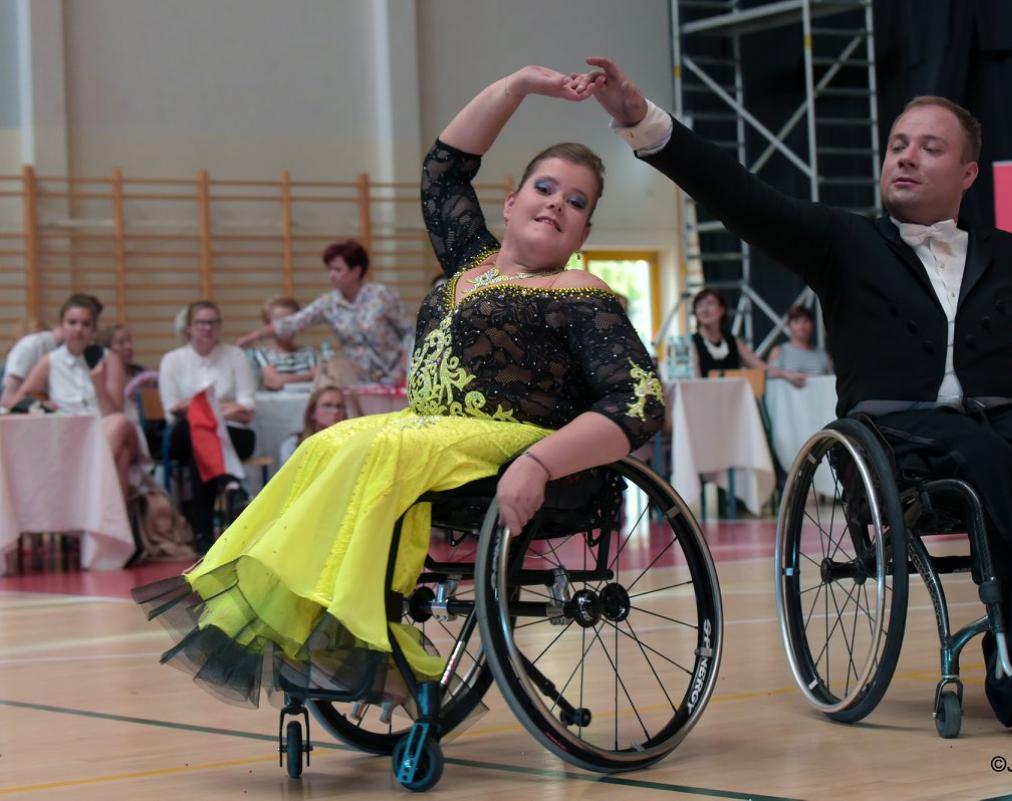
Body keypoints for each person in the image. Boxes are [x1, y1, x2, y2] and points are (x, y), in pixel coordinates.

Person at [578, 57, 1012, 725]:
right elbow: (738, 193)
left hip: (1000, 412)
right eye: (898, 145)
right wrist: (641, 120)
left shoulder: (1004, 253)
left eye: (930, 147)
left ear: (968, 173)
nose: (906, 157)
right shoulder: (845, 241)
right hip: (897, 429)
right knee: (987, 462)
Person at [134, 65, 665, 714]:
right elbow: (444, 168)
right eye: (545, 187)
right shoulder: (468, 260)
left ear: (583, 235)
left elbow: (639, 402)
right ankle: (310, 624)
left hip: (512, 442)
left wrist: (539, 460)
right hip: (425, 432)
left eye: (576, 202)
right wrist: (520, 85)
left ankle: (367, 645)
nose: (557, 202)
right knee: (326, 445)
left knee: (376, 452)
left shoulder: (577, 292)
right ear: (511, 202)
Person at [13, 295, 141, 499]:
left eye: (85, 324)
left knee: (120, 423)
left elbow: (112, 413)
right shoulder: (51, 361)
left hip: (106, 429)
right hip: (68, 434)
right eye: (72, 323)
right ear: (62, 326)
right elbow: (17, 400)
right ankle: (107, 525)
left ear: (94, 330)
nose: (78, 330)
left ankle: (82, 481)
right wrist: (41, 404)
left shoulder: (109, 359)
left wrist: (99, 385)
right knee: (121, 455)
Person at [236, 241, 412, 385]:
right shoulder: (329, 303)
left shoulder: (382, 295)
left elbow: (410, 333)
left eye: (338, 270)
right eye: (330, 269)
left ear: (356, 271)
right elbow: (294, 322)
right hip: (359, 378)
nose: (331, 275)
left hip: (397, 374)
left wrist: (403, 369)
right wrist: (255, 336)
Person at [159, 300, 257, 552]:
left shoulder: (235, 356)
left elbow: (246, 407)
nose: (207, 328)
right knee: (196, 434)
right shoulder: (172, 360)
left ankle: (203, 534)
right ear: (189, 328)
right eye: (201, 323)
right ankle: (231, 486)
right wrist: (220, 408)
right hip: (185, 433)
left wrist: (201, 408)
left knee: (200, 443)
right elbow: (171, 409)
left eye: (213, 322)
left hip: (232, 435)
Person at [691, 287, 809, 386]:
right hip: (706, 399)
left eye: (710, 303)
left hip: (733, 399)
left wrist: (786, 374)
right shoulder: (692, 342)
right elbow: (694, 379)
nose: (705, 309)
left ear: (722, 309)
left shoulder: (732, 340)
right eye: (700, 305)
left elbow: (759, 366)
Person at [244, 296, 319, 390]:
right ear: (269, 325)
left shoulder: (309, 352)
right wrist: (308, 376)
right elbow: (273, 380)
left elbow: (319, 377)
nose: (285, 327)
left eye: (290, 321)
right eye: (279, 321)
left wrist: (284, 379)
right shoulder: (262, 353)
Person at [277, 383, 358, 464]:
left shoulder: (351, 445)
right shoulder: (292, 445)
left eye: (339, 406)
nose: (335, 411)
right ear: (313, 412)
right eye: (327, 405)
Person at [768, 305, 831, 377]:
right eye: (796, 321)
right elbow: (771, 378)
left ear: (812, 325)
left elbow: (831, 381)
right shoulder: (779, 351)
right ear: (789, 326)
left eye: (805, 321)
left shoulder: (822, 354)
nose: (802, 326)